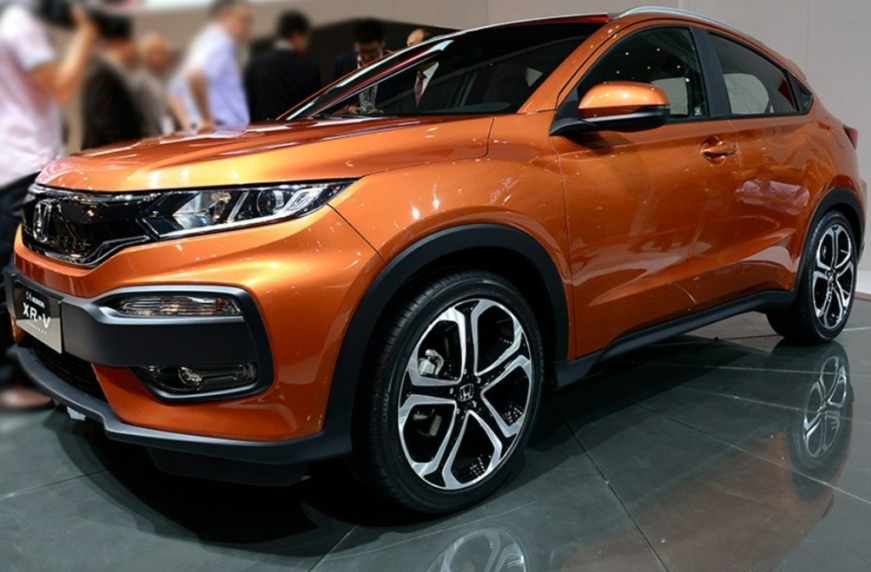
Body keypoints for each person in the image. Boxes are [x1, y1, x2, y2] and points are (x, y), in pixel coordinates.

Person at [0, 0, 97, 410]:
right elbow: (61, 87)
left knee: (25, 277)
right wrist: (86, 33)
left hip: (17, 167)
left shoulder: (12, 23)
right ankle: (13, 380)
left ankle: (31, 371)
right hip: (23, 169)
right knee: (25, 278)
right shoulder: (20, 24)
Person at [183, 0, 252, 129]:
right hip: (222, 128)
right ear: (223, 16)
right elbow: (194, 75)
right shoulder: (221, 43)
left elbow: (176, 90)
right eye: (242, 20)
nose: (246, 27)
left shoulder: (207, 41)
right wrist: (206, 118)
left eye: (248, 21)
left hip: (221, 127)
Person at [244, 10, 320, 122]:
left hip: (263, 130)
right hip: (298, 130)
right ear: (297, 36)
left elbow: (248, 107)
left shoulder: (256, 65)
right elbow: (316, 109)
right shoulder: (309, 68)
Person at [81, 16, 143, 150]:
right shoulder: (101, 73)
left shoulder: (112, 72)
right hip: (108, 155)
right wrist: (126, 150)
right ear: (120, 42)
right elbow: (104, 119)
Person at [133, 33, 176, 137]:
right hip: (153, 137)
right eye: (153, 53)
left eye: (163, 53)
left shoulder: (170, 78)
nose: (158, 57)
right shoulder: (140, 83)